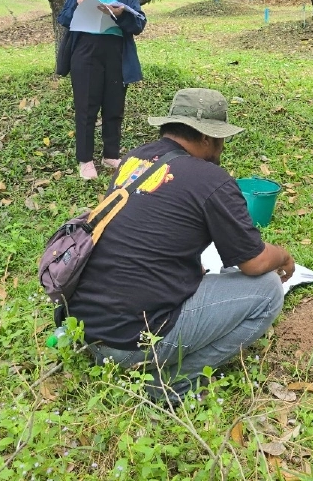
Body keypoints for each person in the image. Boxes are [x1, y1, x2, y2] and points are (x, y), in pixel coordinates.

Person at [64, 88, 295, 402]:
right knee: (267, 290)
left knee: (202, 272)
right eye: (220, 138)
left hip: (86, 330)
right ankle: (170, 384)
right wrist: (283, 256)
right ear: (206, 138)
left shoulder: (135, 159)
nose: (222, 147)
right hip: (132, 342)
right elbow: (253, 262)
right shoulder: (211, 180)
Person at [57, 0, 146, 180]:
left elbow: (139, 25)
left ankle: (111, 154)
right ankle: (85, 160)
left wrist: (122, 13)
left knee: (114, 104)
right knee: (86, 105)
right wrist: (78, 3)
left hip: (117, 52)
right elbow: (63, 19)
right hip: (85, 52)